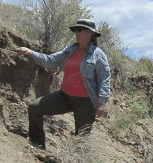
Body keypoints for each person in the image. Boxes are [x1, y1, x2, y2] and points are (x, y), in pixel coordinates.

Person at [15, 18, 111, 150]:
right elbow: (50, 60)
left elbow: (104, 77)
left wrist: (102, 102)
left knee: (81, 139)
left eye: (79, 30)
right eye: (74, 30)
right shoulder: (70, 50)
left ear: (89, 33)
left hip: (85, 102)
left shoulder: (98, 55)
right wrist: (31, 52)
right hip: (64, 96)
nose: (76, 33)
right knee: (34, 107)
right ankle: (37, 145)